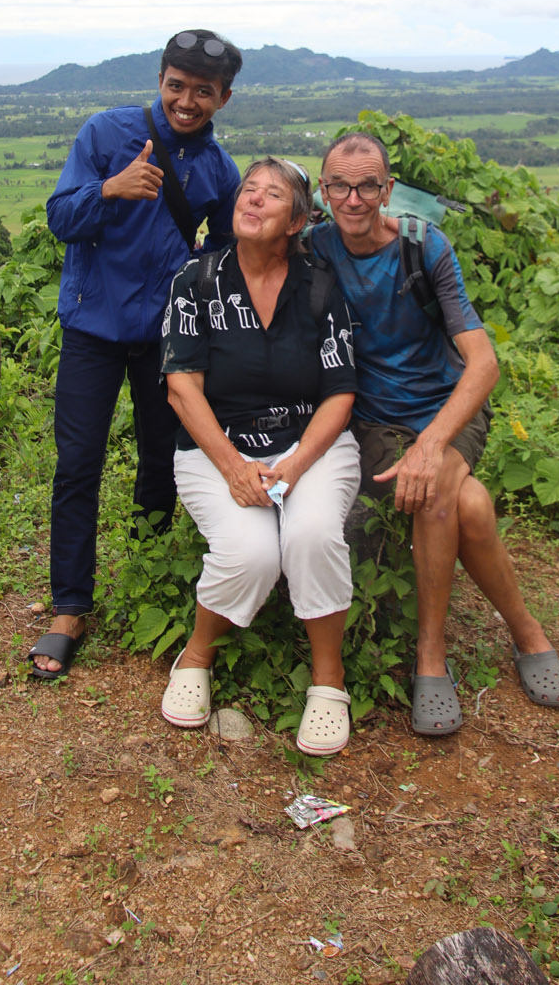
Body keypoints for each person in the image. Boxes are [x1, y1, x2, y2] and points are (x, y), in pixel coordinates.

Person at [308, 131, 559, 734]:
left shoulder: (422, 245)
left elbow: (483, 364)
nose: (353, 199)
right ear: (323, 191)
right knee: (469, 504)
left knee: (433, 492)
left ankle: (431, 655)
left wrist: (432, 444)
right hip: (376, 420)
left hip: (450, 409)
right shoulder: (315, 247)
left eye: (367, 186)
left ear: (388, 190)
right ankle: (523, 633)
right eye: (339, 186)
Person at [28, 29, 243, 680]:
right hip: (92, 329)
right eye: (176, 86)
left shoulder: (218, 169)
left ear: (223, 98)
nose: (186, 101)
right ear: (160, 81)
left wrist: (198, 265)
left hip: (166, 336)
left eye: (202, 91)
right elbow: (59, 218)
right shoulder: (106, 133)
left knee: (160, 463)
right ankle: (70, 607)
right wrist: (110, 189)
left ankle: (144, 574)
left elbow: (227, 250)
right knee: (78, 464)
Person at [160, 158, 362, 756]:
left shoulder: (319, 285)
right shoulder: (197, 282)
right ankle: (196, 656)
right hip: (217, 446)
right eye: (248, 189)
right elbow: (181, 387)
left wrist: (295, 465)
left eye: (272, 195)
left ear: (297, 220)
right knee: (250, 553)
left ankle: (328, 681)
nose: (253, 199)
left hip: (310, 444)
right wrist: (233, 467)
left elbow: (340, 392)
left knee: (313, 534)